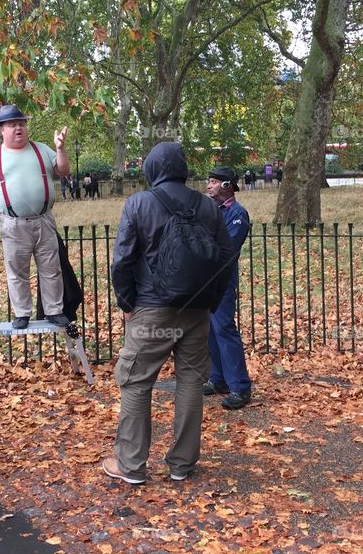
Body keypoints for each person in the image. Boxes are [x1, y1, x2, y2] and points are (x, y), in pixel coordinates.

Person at [102, 142, 232, 485]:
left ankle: (130, 465)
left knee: (135, 381)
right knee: (190, 381)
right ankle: (182, 465)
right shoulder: (208, 206)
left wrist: (128, 304)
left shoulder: (140, 203)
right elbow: (224, 260)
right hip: (196, 311)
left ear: (152, 169)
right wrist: (211, 302)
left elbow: (122, 261)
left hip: (151, 310)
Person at [0, 105, 70, 329]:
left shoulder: (42, 150)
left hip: (44, 219)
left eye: (22, 124)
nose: (18, 128)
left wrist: (61, 149)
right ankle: (22, 313)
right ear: (2, 130)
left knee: (50, 267)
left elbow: (63, 171)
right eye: (12, 124)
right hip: (12, 223)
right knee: (16, 269)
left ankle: (54, 310)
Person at [203, 167, 252, 410]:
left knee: (224, 329)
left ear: (226, 186)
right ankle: (218, 378)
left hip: (221, 281)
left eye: (213, 182)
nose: (209, 186)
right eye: (209, 181)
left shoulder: (237, 214)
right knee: (210, 330)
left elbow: (226, 249)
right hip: (205, 280)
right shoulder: (210, 211)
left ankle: (240, 387)